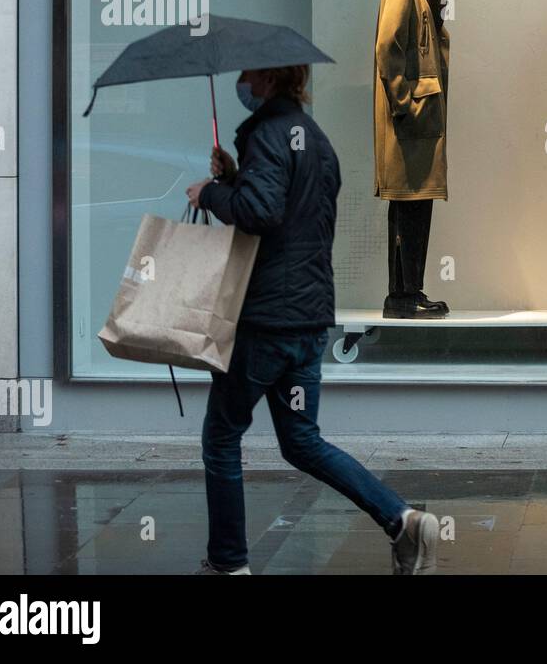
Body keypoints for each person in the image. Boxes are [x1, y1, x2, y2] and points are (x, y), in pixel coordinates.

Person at [185, 64, 438, 575]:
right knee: (301, 440)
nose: (242, 82)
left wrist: (211, 193)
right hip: (308, 317)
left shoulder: (267, 134)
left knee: (221, 436)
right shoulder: (317, 141)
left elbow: (261, 211)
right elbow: (290, 209)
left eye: (249, 74)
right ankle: (402, 519)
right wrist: (235, 175)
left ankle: (229, 564)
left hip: (264, 321)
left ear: (269, 80)